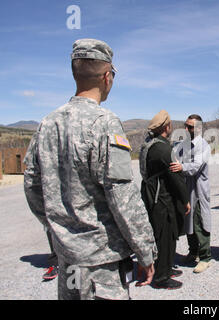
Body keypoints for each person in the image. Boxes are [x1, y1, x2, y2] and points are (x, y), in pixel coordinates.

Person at [23, 39, 158, 300]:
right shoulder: (105, 122)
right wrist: (145, 249)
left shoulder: (47, 123)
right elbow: (122, 195)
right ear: (107, 77)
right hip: (101, 262)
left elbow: (31, 184)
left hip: (68, 258)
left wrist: (57, 227)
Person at [139, 110, 191, 290]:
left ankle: (166, 267)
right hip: (162, 198)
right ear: (166, 127)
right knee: (166, 235)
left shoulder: (149, 144)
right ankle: (162, 277)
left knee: (161, 234)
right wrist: (185, 199)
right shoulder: (163, 148)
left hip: (151, 194)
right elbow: (175, 176)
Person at [169, 114, 212, 273]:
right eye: (185, 125)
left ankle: (205, 257)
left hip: (198, 191)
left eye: (191, 127)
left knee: (199, 223)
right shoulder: (183, 144)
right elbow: (174, 156)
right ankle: (193, 252)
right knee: (188, 223)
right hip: (186, 190)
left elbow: (196, 166)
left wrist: (181, 167)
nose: (186, 129)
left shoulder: (204, 146)